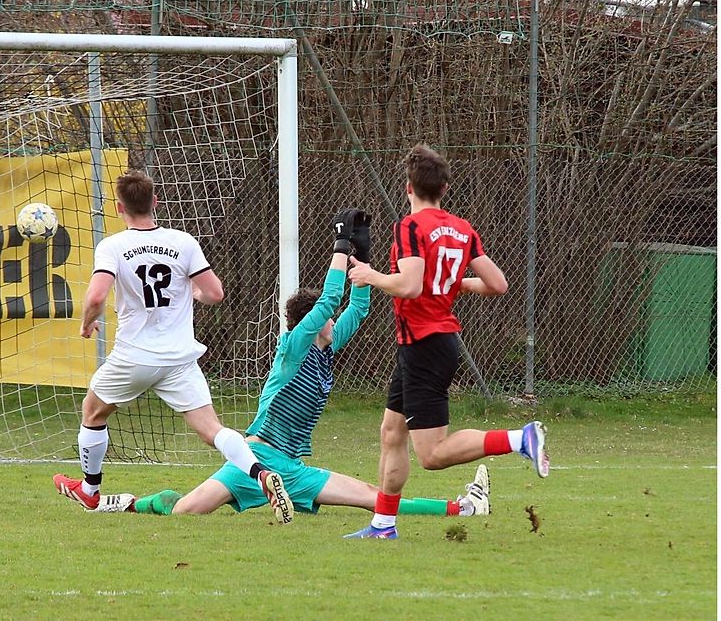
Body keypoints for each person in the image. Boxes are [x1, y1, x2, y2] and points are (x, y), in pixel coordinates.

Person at [88, 209, 491, 527]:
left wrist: (362, 255)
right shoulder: (294, 346)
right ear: (314, 323)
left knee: (372, 494)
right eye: (327, 318)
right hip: (255, 459)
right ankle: (133, 503)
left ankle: (464, 508)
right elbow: (332, 301)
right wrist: (339, 246)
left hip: (293, 470)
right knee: (183, 513)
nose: (336, 322)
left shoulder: (326, 349)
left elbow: (358, 306)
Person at [53, 170, 293, 525]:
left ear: (120, 208)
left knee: (93, 411)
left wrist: (87, 322)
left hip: (134, 355)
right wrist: (192, 292)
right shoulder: (183, 242)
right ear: (155, 203)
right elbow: (215, 293)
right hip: (179, 358)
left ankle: (90, 490)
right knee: (212, 430)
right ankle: (259, 473)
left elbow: (97, 295)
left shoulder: (113, 246)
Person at [344, 144, 549, 540]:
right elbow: (498, 284)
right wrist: (452, 284)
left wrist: (370, 276)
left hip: (425, 344)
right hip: (424, 344)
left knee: (432, 455)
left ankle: (518, 439)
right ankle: (383, 525)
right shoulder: (462, 228)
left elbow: (409, 285)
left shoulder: (410, 227)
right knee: (392, 431)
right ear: (445, 188)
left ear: (408, 187)